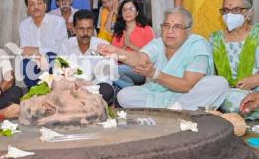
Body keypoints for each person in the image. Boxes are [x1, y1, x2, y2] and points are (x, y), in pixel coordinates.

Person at [98, 7, 229, 110]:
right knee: (124, 95)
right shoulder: (158, 43)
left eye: (177, 27)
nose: (170, 31)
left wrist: (155, 74)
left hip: (187, 93)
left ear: (188, 30)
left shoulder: (197, 45)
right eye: (166, 26)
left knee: (219, 83)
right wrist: (117, 52)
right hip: (160, 94)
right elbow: (140, 58)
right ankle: (178, 109)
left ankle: (175, 108)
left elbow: (187, 85)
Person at [210, 0, 259, 119]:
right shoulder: (215, 39)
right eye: (226, 10)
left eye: (236, 10)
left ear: (249, 13)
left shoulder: (257, 34)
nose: (229, 15)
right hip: (227, 95)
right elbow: (209, 75)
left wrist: (256, 79)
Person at [59, 10, 115, 104]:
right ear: (74, 29)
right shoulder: (65, 46)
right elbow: (61, 72)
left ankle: (81, 105)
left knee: (106, 90)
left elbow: (106, 78)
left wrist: (87, 89)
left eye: (89, 29)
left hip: (95, 90)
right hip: (73, 88)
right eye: (81, 29)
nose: (85, 33)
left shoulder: (103, 45)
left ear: (93, 29)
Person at [20, 0, 68, 88]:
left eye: (39, 3)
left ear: (45, 6)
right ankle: (38, 93)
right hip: (35, 62)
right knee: (24, 64)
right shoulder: (24, 25)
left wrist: (39, 50)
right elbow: (25, 52)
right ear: (27, 9)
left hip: (55, 63)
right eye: (32, 4)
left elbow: (63, 50)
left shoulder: (58, 22)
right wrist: (39, 57)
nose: (36, 7)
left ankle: (52, 91)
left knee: (51, 56)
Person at [111, 0, 155, 88]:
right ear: (121, 14)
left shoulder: (146, 30)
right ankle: (131, 88)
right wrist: (123, 48)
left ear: (137, 12)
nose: (128, 12)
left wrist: (131, 45)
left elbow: (153, 56)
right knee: (109, 70)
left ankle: (129, 89)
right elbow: (112, 56)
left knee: (112, 71)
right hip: (121, 70)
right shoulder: (118, 33)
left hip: (140, 70)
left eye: (131, 9)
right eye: (124, 10)